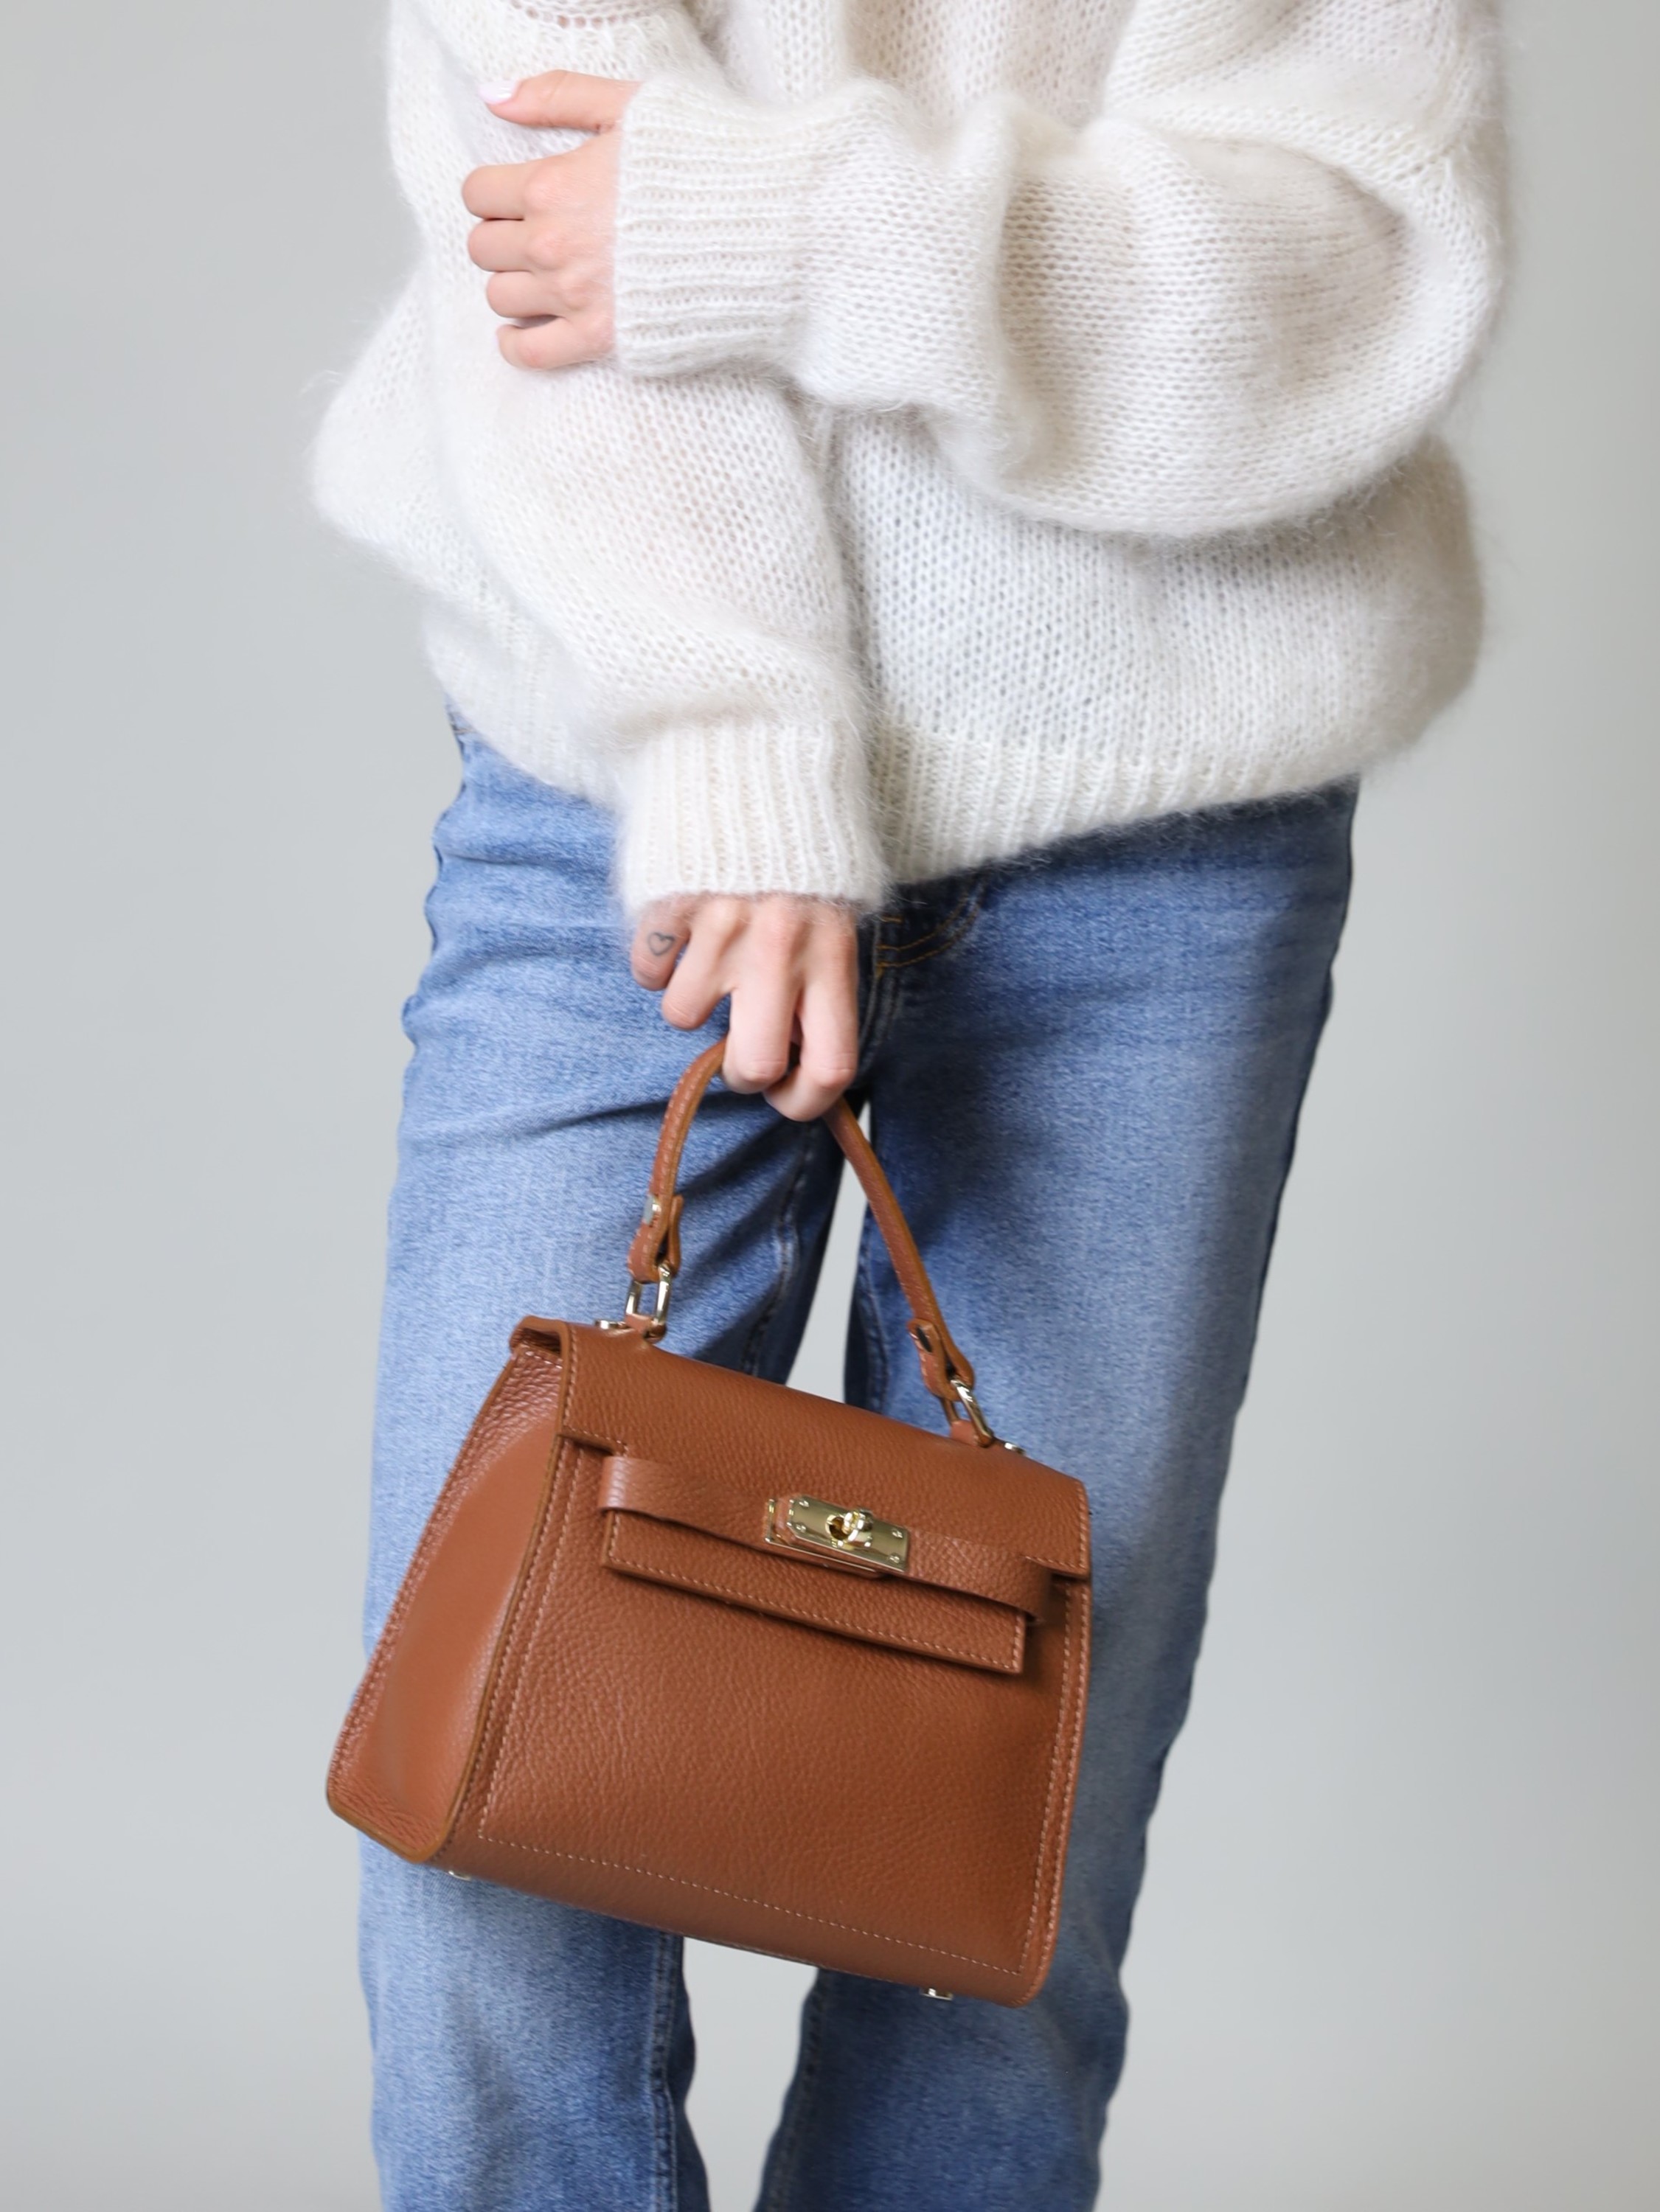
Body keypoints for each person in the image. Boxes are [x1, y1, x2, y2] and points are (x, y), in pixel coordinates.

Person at [316, 2, 1506, 2205]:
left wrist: (761, 226)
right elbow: (539, 231)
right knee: (474, 1785)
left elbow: (1348, 276)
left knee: (1011, 1865)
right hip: (623, 808)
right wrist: (736, 745)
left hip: (1166, 831)